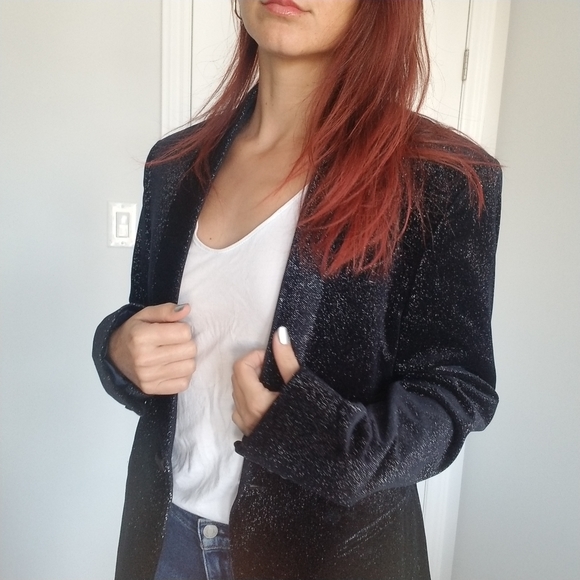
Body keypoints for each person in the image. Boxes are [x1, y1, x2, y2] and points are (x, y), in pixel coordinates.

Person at [93, 1, 502, 579]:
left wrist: (318, 437)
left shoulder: (444, 178)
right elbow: (146, 326)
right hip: (166, 540)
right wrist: (117, 348)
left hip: (329, 558)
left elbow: (458, 394)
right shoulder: (174, 164)